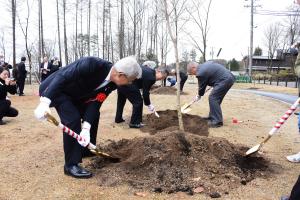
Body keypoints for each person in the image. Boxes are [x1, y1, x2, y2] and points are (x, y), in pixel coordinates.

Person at [34, 56, 142, 179]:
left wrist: (86, 128)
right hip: (55, 89)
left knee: (93, 115)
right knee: (72, 119)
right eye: (130, 80)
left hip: (76, 95)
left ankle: (85, 149)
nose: (130, 83)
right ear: (121, 75)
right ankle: (71, 165)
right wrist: (45, 101)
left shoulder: (113, 84)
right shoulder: (92, 64)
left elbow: (96, 101)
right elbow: (62, 76)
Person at [187, 61, 235, 128]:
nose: (194, 75)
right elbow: (213, 73)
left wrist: (199, 95)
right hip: (227, 77)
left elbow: (202, 87)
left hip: (224, 79)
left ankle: (217, 121)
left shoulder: (200, 72)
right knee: (215, 99)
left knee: (213, 98)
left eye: (192, 73)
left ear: (193, 68)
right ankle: (212, 117)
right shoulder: (205, 65)